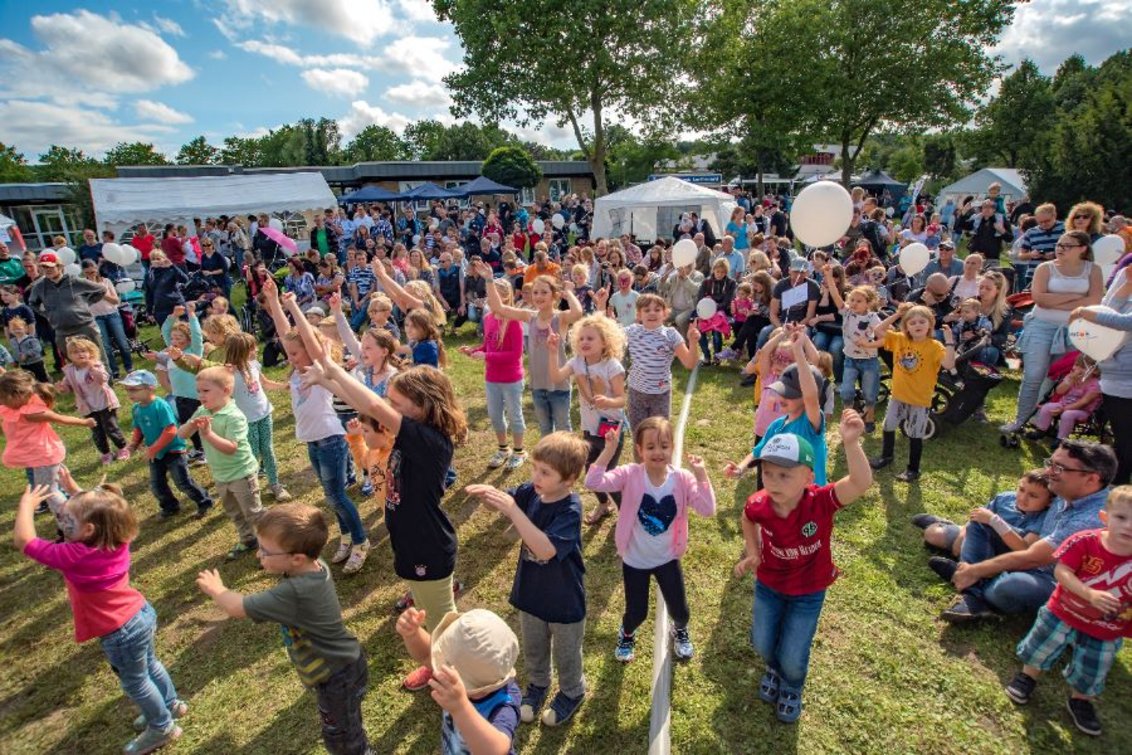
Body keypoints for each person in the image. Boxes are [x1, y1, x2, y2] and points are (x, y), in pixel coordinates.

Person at [301, 354, 467, 691]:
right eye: (390, 401)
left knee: (442, 620)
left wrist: (333, 371)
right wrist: (326, 380)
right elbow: (367, 403)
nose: (388, 407)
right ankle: (435, 661)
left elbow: (373, 406)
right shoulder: (409, 434)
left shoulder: (429, 440)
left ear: (422, 406)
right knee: (426, 608)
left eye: (397, 403)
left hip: (428, 546)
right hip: (410, 542)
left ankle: (456, 671)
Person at [15, 480, 186, 754]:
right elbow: (104, 509)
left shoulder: (74, 554)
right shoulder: (117, 537)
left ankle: (162, 727)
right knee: (151, 666)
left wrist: (26, 507)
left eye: (67, 518)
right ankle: (170, 704)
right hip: (139, 614)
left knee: (136, 682)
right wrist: (74, 490)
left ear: (89, 529)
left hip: (120, 631)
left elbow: (25, 541)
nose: (60, 519)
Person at [195, 504, 371, 755]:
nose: (258, 556)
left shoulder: (295, 592)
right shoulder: (315, 564)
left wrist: (216, 589)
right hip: (346, 663)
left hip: (335, 675)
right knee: (348, 720)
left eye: (265, 551)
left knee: (341, 736)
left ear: (296, 558)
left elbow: (236, 607)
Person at [734, 410, 873, 723]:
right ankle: (773, 667)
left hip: (808, 591)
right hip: (769, 585)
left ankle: (792, 684)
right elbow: (747, 518)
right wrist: (753, 552)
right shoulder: (759, 503)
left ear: (809, 477)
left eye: (785, 475)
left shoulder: (821, 501)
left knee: (794, 655)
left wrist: (851, 444)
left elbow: (861, 483)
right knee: (762, 641)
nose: (772, 482)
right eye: (768, 473)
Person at [464, 431, 591, 727]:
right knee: (533, 645)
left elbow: (545, 549)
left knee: (566, 651)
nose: (536, 476)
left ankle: (572, 691)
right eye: (535, 468)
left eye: (545, 472)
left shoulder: (571, 508)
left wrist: (512, 511)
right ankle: (537, 685)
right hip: (532, 593)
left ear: (569, 479)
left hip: (565, 600)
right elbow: (504, 501)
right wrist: (489, 497)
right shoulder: (532, 491)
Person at [1004, 486, 1132, 737]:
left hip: (1106, 626)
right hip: (1063, 611)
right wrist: (1089, 594)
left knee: (1093, 665)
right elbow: (1061, 571)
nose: (1129, 526)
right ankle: (1027, 677)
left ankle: (1080, 699)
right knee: (1041, 645)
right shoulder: (1085, 540)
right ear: (1105, 518)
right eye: (1121, 518)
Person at [586, 417, 716, 663]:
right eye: (651, 447)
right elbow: (592, 482)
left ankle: (679, 630)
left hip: (667, 558)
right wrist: (609, 451)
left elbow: (707, 509)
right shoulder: (630, 474)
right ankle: (626, 633)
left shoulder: (683, 479)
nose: (658, 452)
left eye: (664, 446)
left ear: (673, 448)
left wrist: (702, 475)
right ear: (639, 450)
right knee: (637, 612)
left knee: (680, 610)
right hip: (635, 560)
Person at [942, 440, 1116, 623]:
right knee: (982, 522)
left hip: (1059, 581)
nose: (1049, 472)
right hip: (1031, 553)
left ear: (1091, 479)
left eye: (1059, 468)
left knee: (1013, 585)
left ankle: (969, 581)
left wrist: (975, 569)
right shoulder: (1068, 491)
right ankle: (974, 589)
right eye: (1050, 464)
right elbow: (1022, 501)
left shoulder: (1092, 518)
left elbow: (1032, 558)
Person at [263, 282, 371, 574]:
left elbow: (306, 341)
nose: (291, 357)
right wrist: (274, 301)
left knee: (336, 495)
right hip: (314, 442)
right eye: (290, 354)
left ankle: (361, 541)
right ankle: (347, 535)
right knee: (331, 494)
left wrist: (294, 307)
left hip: (331, 440)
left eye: (297, 354)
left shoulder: (318, 369)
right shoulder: (297, 370)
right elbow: (290, 338)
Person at [1002, 231, 1103, 434]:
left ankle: (1041, 421)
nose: (1060, 248)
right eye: (1059, 244)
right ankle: (1020, 420)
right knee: (1034, 375)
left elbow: (1094, 301)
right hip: (1041, 326)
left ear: (1082, 248)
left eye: (1067, 245)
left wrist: (1057, 298)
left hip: (1074, 330)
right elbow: (1040, 299)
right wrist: (1076, 297)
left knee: (1057, 376)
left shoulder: (1093, 270)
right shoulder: (1045, 268)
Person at [396, 607, 521, 754]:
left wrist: (461, 707)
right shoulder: (461, 678)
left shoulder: (504, 702)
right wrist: (413, 633)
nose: (439, 667)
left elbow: (496, 750)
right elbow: (426, 656)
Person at [546, 314, 628, 525]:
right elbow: (556, 377)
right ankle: (604, 504)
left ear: (604, 342)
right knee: (590, 474)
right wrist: (553, 353)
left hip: (611, 431)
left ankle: (627, 514)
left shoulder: (612, 366)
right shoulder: (576, 362)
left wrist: (608, 402)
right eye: (581, 338)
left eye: (590, 338)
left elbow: (622, 400)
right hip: (590, 429)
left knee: (608, 474)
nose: (584, 342)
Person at [179, 366, 266, 560]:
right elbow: (182, 434)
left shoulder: (234, 416)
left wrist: (208, 434)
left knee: (253, 513)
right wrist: (191, 424)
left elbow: (231, 448)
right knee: (234, 511)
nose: (201, 395)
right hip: (220, 474)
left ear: (226, 391)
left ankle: (268, 545)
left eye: (206, 391)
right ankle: (247, 539)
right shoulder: (202, 410)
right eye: (199, 391)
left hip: (241, 473)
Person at [869, 303, 957, 482]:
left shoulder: (935, 346)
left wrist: (949, 341)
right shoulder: (900, 339)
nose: (917, 325)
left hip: (919, 400)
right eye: (912, 322)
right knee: (888, 426)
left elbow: (949, 364)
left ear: (929, 325)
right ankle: (886, 456)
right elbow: (878, 329)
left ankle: (913, 469)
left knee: (915, 434)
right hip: (898, 396)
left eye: (922, 321)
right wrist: (897, 315)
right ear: (906, 326)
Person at [0, 370, 92, 517]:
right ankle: (92, 504)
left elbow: (60, 418)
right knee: (65, 484)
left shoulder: (32, 412)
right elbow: (13, 381)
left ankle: (71, 521)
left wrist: (85, 422)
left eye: (2, 398)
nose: (1, 401)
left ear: (16, 396)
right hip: (39, 455)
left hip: (43, 457)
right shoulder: (14, 404)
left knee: (49, 493)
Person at [1070, 267, 1132, 485]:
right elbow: (1110, 312)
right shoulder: (1127, 277)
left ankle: (1118, 485)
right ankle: (1116, 485)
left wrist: (1084, 313)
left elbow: (1125, 322)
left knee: (1127, 442)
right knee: (1123, 438)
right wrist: (1126, 286)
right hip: (1114, 377)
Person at [459, 278, 528, 471]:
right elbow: (487, 345)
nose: (488, 298)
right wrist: (473, 351)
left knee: (515, 415)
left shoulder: (514, 321)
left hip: (511, 378)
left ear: (504, 296)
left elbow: (515, 354)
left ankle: (519, 451)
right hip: (492, 377)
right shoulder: (488, 318)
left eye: (492, 294)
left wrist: (486, 355)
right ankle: (503, 449)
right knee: (495, 415)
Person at [915, 469, 1052, 565]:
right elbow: (977, 517)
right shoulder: (1005, 498)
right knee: (932, 534)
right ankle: (948, 525)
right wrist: (962, 536)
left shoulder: (1045, 518)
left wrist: (994, 521)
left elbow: (1024, 549)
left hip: (999, 555)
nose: (1023, 498)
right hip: (975, 538)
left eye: (1033, 496)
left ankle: (963, 568)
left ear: (1050, 501)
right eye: (1021, 489)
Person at [224, 332, 291, 501]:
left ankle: (275, 484)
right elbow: (225, 397)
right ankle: (252, 488)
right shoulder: (228, 374)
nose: (255, 350)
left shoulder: (254, 364)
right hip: (247, 421)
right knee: (252, 454)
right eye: (251, 348)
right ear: (240, 351)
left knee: (267, 450)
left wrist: (284, 386)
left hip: (264, 414)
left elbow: (265, 383)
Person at [622, 293, 700, 432]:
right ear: (639, 315)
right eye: (647, 310)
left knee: (659, 435)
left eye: (657, 310)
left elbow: (690, 363)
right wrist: (601, 306)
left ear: (665, 313)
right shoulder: (632, 331)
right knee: (639, 435)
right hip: (636, 393)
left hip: (660, 394)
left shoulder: (671, 335)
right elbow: (607, 334)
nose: (652, 313)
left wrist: (693, 342)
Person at [56, 336, 130, 465]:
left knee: (110, 428)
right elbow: (67, 387)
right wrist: (62, 388)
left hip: (105, 403)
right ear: (69, 355)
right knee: (97, 432)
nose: (80, 354)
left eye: (83, 351)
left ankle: (122, 448)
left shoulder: (96, 365)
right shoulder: (70, 371)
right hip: (88, 407)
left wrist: (92, 368)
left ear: (90, 352)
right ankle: (106, 453)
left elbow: (102, 380)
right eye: (75, 352)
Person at [824, 274, 884, 431]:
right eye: (852, 300)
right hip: (850, 359)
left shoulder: (873, 318)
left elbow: (885, 339)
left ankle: (869, 417)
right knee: (846, 392)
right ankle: (847, 419)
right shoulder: (847, 313)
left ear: (868, 303)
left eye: (859, 301)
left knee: (870, 393)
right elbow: (835, 294)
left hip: (869, 361)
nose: (854, 304)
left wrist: (868, 344)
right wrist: (829, 277)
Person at [26, 251, 107, 359]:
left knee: (98, 358)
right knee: (74, 362)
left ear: (59, 266)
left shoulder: (74, 281)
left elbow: (101, 289)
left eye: (51, 266)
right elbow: (32, 303)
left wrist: (85, 304)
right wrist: (47, 314)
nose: (47, 270)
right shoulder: (39, 286)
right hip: (62, 331)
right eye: (44, 267)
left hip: (85, 326)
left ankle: (106, 376)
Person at [1024, 355, 1102, 444]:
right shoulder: (1071, 377)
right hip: (1063, 404)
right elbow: (1059, 391)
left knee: (1068, 414)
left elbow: (1084, 402)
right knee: (1047, 407)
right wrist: (1069, 381)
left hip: (1083, 410)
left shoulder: (1095, 385)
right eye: (1076, 364)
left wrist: (1063, 409)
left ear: (1095, 371)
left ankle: (1061, 439)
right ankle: (1041, 430)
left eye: (1083, 367)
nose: (1077, 368)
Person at [82, 260, 133, 379]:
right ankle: (114, 371)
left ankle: (129, 367)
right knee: (105, 347)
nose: (91, 273)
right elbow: (85, 304)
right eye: (88, 271)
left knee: (122, 343)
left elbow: (116, 301)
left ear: (97, 268)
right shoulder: (83, 286)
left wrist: (101, 293)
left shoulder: (106, 281)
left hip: (112, 314)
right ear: (84, 272)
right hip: (96, 318)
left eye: (93, 270)